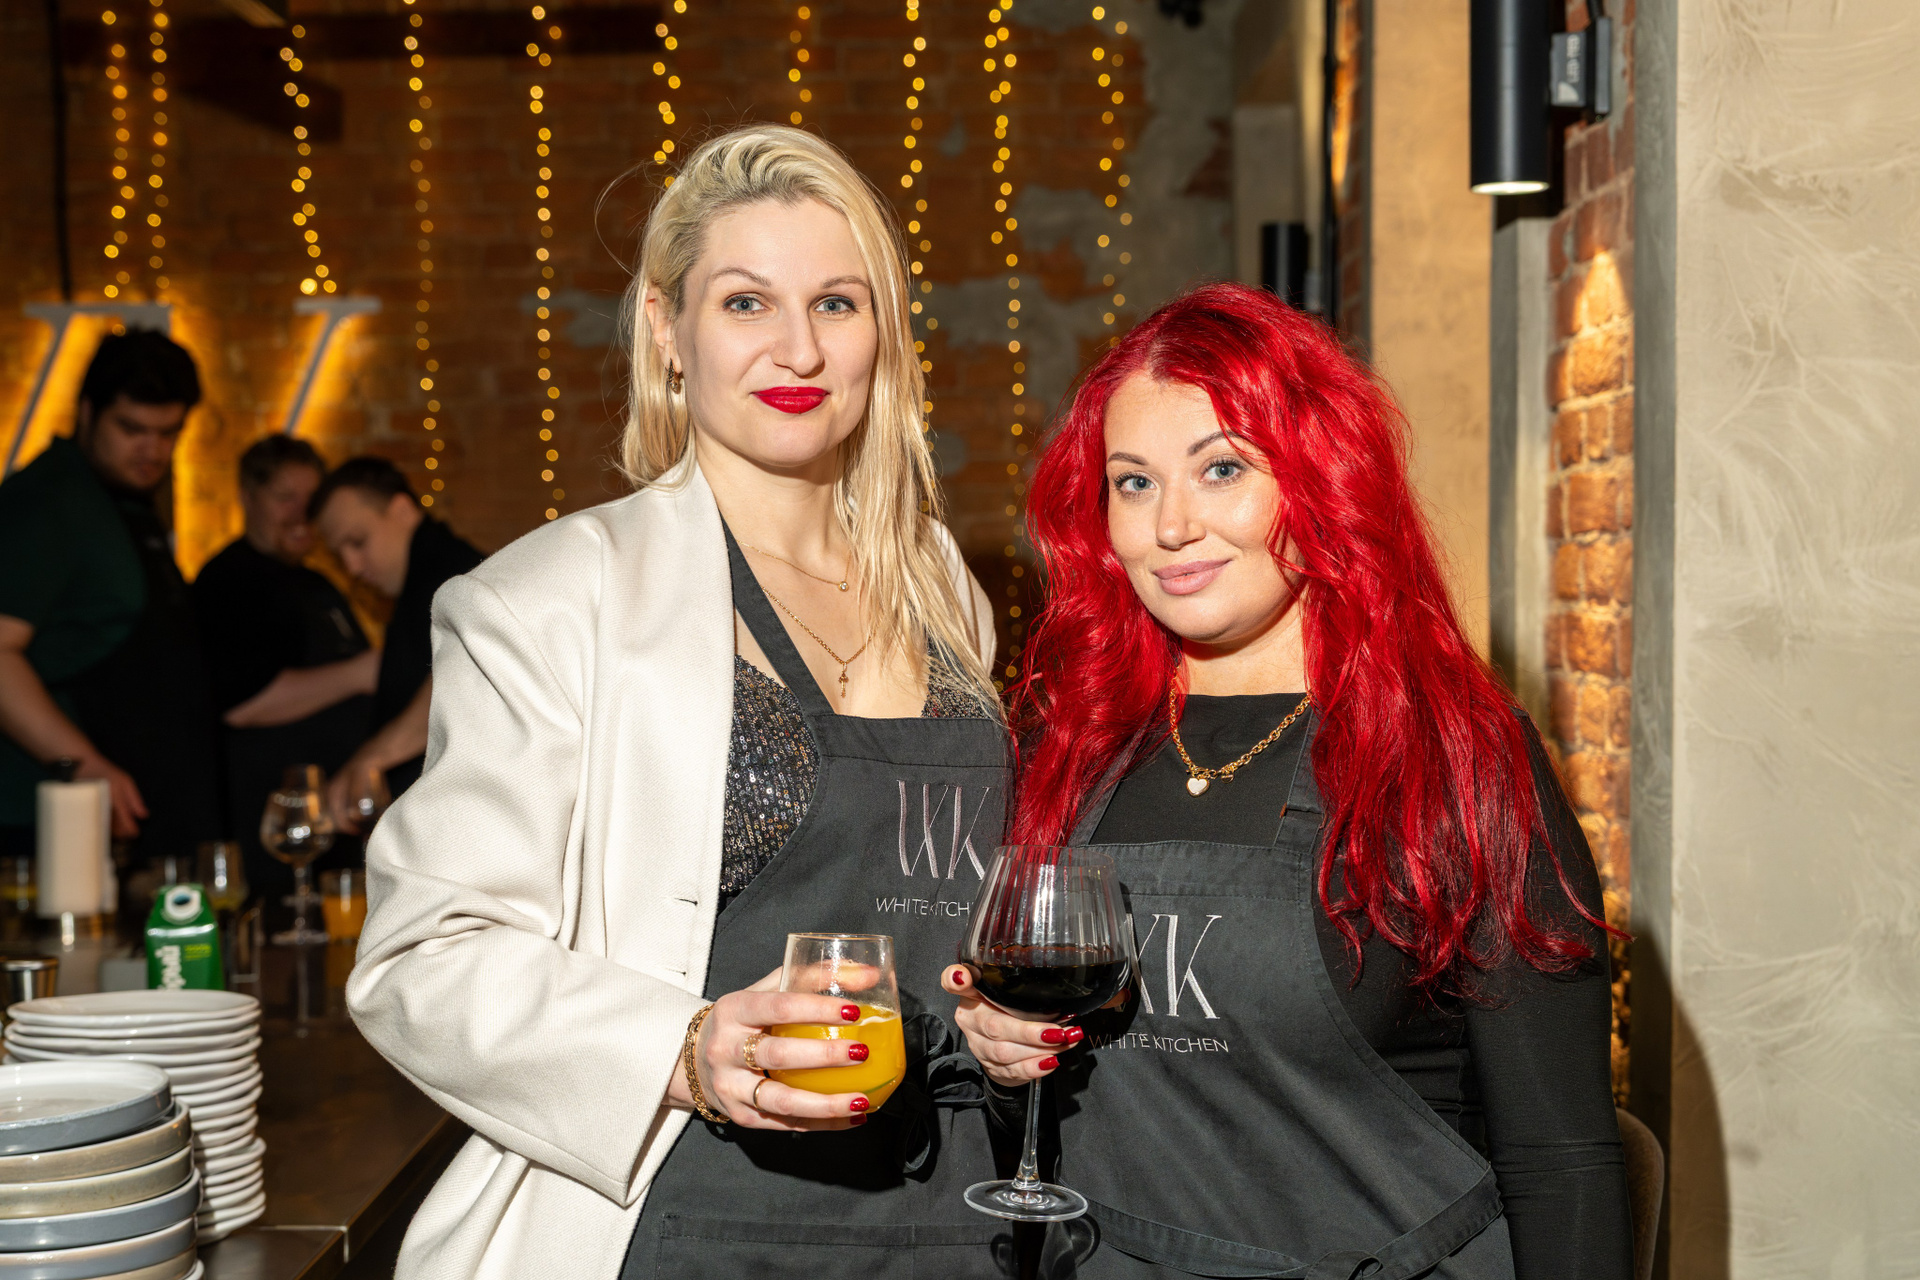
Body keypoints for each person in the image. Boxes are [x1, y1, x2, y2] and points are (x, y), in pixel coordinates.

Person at [346, 125, 1011, 1278]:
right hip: (700, 1216)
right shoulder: (556, 598)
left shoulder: (940, 584)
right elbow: (422, 956)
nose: (799, 347)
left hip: (955, 1209)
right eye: (747, 302)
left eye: (837, 303)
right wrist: (687, 1045)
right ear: (668, 328)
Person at [943, 283, 1633, 1279]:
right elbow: (1039, 1136)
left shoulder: (1455, 754)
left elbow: (1563, 1163)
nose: (1171, 525)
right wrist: (1008, 1066)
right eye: (1133, 483)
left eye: (1221, 468)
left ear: (1321, 479)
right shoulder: (1069, 742)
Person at [0, 329, 220, 877]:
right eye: (131, 429)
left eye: (168, 433)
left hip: (128, 818)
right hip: (42, 823)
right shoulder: (47, 501)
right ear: (86, 412)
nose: (152, 450)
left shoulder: (119, 501)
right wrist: (83, 763)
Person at [193, 435, 377, 908]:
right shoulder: (230, 582)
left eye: (311, 499)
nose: (301, 513)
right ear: (247, 497)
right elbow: (243, 702)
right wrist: (361, 673)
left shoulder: (317, 582)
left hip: (333, 831)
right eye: (284, 497)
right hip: (271, 840)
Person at [309, 457, 483, 822]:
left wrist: (370, 759)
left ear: (402, 510)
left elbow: (465, 672)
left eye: (358, 542)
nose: (352, 567)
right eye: (340, 555)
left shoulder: (454, 575)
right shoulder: (424, 576)